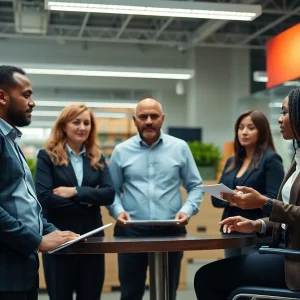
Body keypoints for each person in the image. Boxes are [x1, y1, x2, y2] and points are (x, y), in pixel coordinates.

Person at [194, 87, 300, 299]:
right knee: (213, 277)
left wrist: (263, 203)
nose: (279, 119)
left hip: (292, 260)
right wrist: (257, 224)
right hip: (281, 251)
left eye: (284, 112)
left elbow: (284, 209)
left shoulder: (271, 160)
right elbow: (288, 217)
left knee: (207, 278)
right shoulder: (296, 157)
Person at [108, 98, 203, 300]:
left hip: (172, 230)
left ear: (162, 119)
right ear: (135, 120)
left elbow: (195, 186)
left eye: (154, 116)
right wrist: (117, 211)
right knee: (130, 293)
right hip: (130, 231)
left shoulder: (180, 147)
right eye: (143, 117)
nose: (149, 121)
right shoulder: (121, 151)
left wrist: (187, 210)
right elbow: (112, 191)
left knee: (167, 292)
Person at [0, 65, 79, 300]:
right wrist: (37, 240)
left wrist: (54, 232)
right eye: (26, 95)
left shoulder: (11, 140)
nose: (32, 102)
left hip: (22, 269)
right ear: (2, 96)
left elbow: (24, 203)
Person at [35, 103, 115, 300]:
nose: (82, 127)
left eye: (87, 123)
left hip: (93, 239)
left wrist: (74, 191)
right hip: (58, 238)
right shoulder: (47, 156)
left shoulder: (97, 157)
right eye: (76, 122)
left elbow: (109, 194)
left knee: (91, 296)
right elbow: (44, 197)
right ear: (64, 126)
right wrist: (90, 199)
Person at [212, 110, 284, 257]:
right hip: (230, 231)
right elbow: (215, 199)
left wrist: (241, 199)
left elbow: (274, 199)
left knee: (249, 277)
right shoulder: (231, 162)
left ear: (262, 132)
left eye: (251, 128)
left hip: (256, 233)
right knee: (231, 277)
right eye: (240, 127)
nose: (244, 132)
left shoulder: (271, 160)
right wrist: (235, 200)